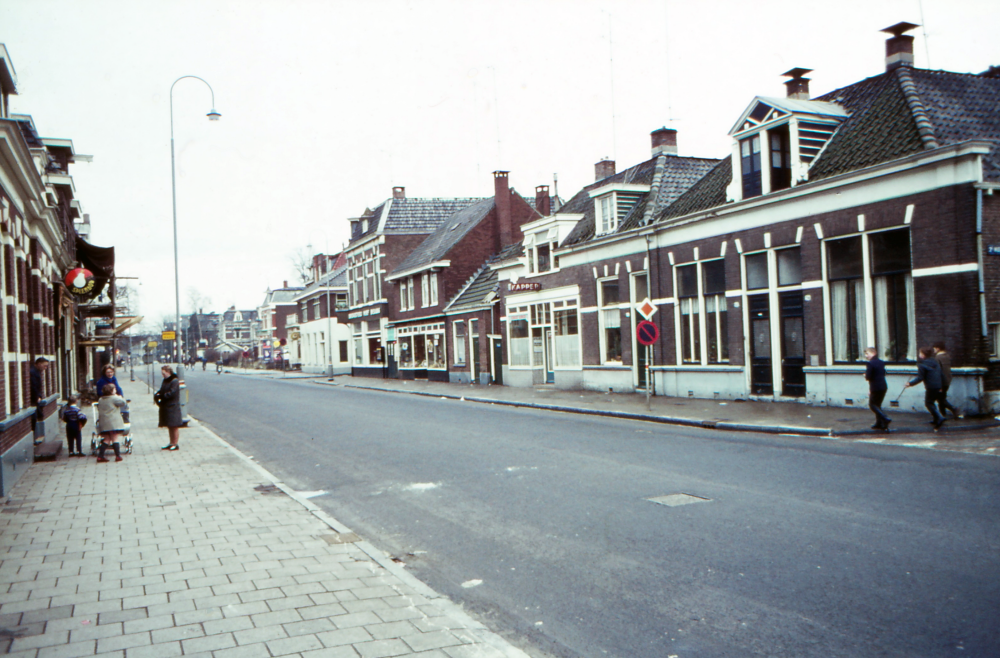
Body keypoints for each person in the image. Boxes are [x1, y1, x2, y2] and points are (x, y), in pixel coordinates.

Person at [905, 347, 946, 429]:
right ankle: (936, 419)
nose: (919, 355)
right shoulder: (935, 362)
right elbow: (941, 374)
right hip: (938, 385)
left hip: (930, 386)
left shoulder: (922, 365)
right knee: (932, 402)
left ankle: (940, 417)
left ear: (923, 355)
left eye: (920, 353)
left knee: (928, 403)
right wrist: (941, 385)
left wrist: (910, 383)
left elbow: (920, 378)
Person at [96, 383, 126, 462]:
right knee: (115, 437)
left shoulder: (101, 399)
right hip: (113, 423)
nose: (116, 390)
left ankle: (100, 456)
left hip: (104, 423)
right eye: (114, 389)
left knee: (107, 439)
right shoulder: (114, 398)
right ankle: (118, 456)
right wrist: (119, 397)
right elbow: (123, 403)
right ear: (112, 391)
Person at [155, 365, 183, 450]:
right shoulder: (165, 380)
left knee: (174, 426)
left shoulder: (174, 381)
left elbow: (172, 393)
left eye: (163, 373)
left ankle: (175, 443)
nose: (163, 375)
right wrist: (158, 394)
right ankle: (171, 443)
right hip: (166, 406)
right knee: (169, 425)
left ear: (168, 372)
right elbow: (162, 389)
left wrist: (163, 396)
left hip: (173, 406)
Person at [932, 342, 962, 419]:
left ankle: (954, 409)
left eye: (934, 348)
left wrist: (938, 383)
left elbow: (938, 371)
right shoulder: (947, 356)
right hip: (947, 380)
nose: (934, 350)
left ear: (938, 348)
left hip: (941, 381)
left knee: (940, 399)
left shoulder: (937, 358)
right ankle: (942, 415)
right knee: (942, 398)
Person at [864, 347, 891, 431]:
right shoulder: (881, 362)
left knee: (872, 405)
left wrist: (865, 375)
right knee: (878, 405)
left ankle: (885, 418)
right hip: (883, 386)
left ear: (873, 353)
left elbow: (868, 377)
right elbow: (883, 373)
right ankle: (880, 423)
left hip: (875, 387)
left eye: (867, 354)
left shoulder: (870, 364)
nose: (866, 356)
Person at [30, 357, 49, 442]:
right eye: (44, 366)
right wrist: (37, 397)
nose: (45, 368)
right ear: (39, 364)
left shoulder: (36, 371)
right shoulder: (33, 372)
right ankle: (33, 439)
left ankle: (34, 438)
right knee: (34, 417)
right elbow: (33, 386)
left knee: (38, 416)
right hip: (33, 400)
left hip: (36, 399)